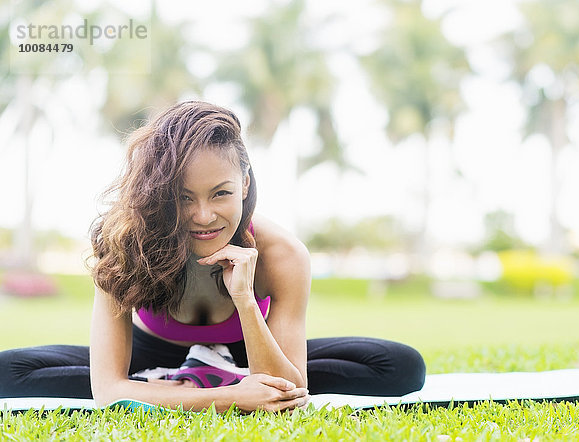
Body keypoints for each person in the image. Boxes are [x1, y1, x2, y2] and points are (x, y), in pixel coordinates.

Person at [0, 101, 425, 412]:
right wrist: (231, 396)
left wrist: (244, 299)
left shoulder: (283, 254)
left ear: (243, 183)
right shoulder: (126, 242)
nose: (203, 216)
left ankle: (165, 387)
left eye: (220, 193)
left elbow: (291, 390)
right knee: (8, 371)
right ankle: (187, 378)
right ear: (160, 194)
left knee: (401, 365)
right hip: (151, 355)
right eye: (184, 198)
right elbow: (109, 389)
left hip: (248, 350)